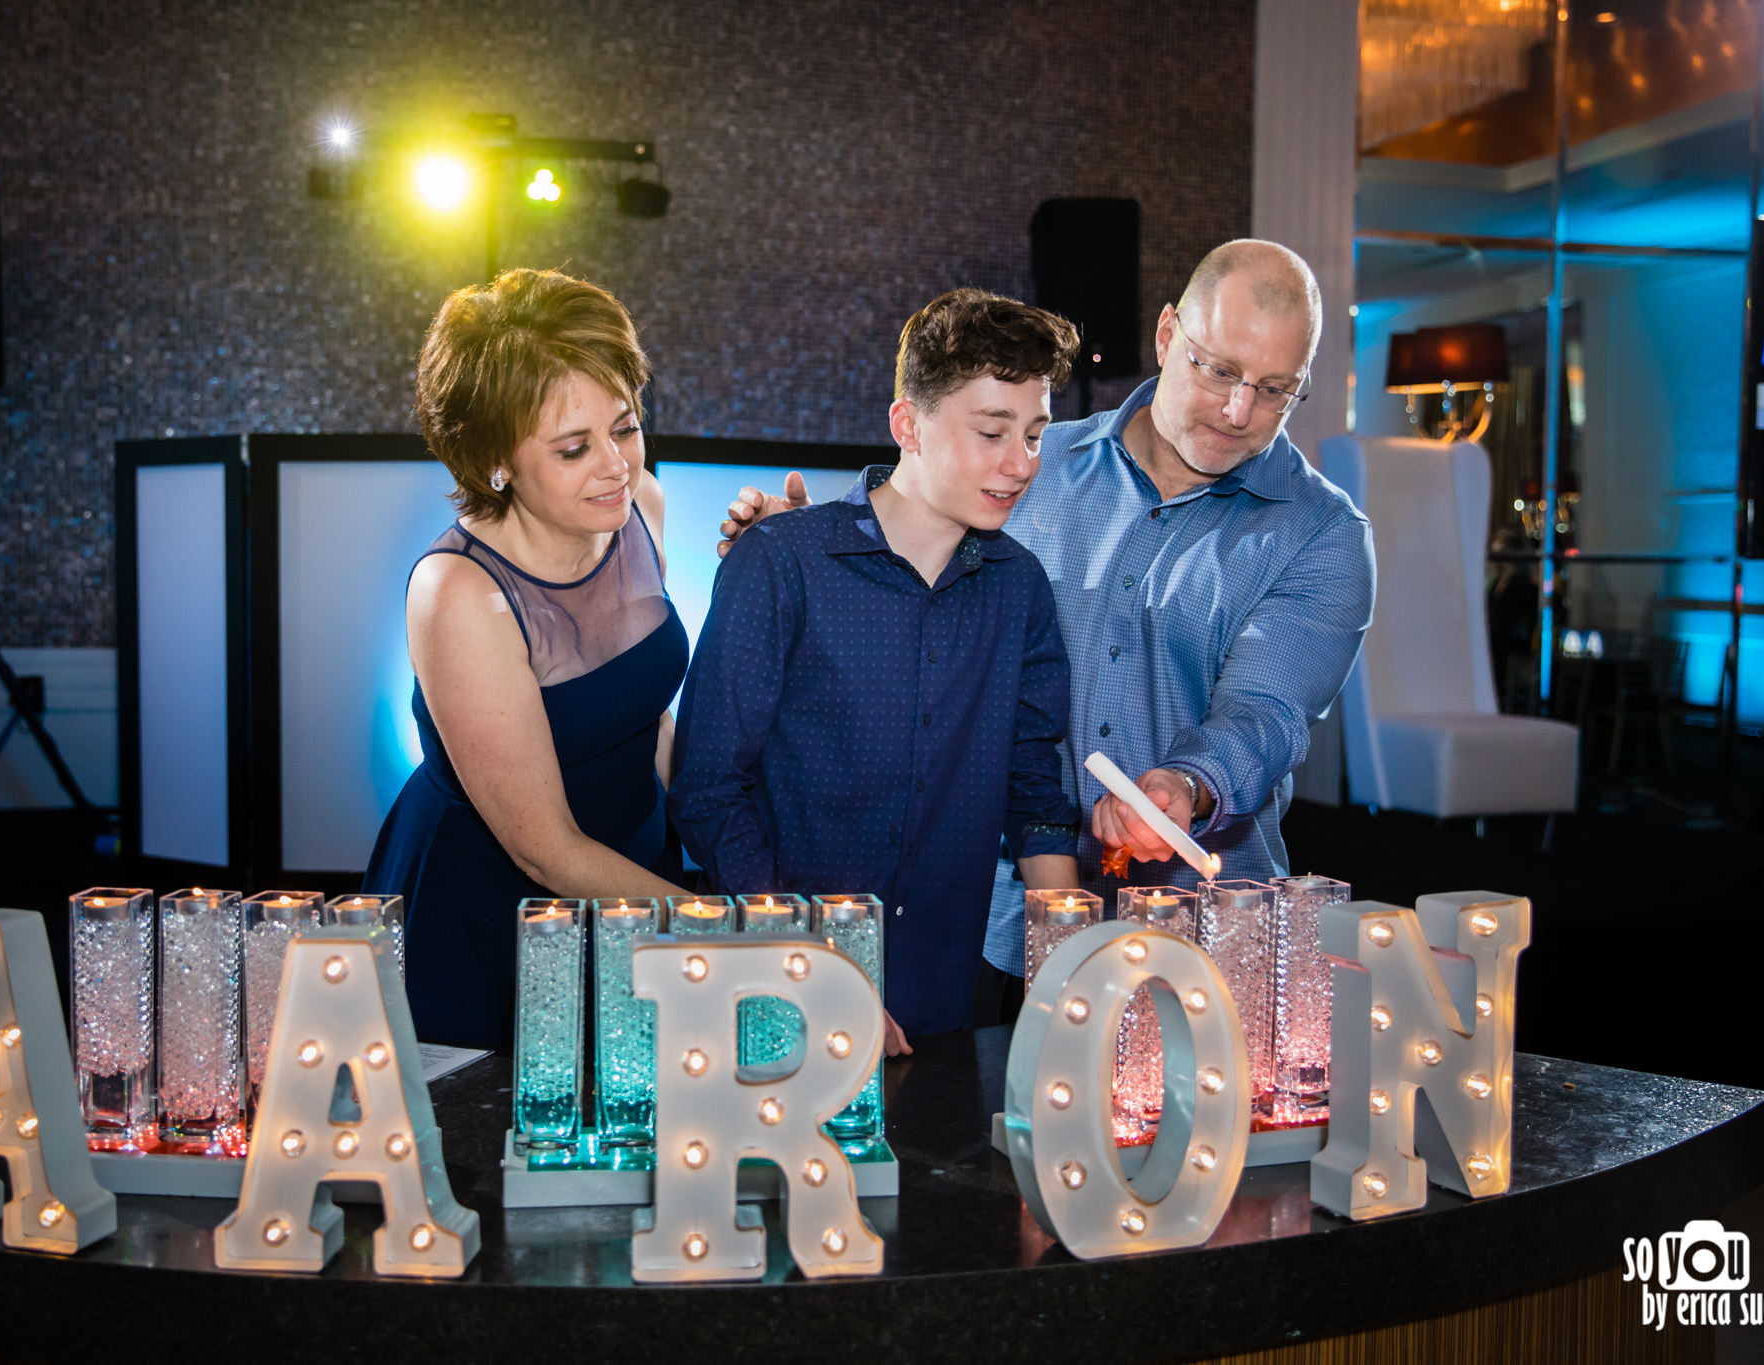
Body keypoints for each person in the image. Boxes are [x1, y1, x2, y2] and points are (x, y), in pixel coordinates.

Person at [719, 241, 1376, 1010]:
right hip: (996, 921)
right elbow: (905, 552)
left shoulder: (1324, 533)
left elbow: (1266, 712)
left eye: (1274, 390)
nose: (1239, 411)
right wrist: (803, 554)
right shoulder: (1029, 465)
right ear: (1167, 336)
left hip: (1204, 936)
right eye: (1219, 370)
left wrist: (1187, 784)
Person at [670, 288, 1083, 1049]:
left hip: (944, 996)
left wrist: (1071, 972)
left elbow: (1035, 789)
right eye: (992, 432)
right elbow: (707, 791)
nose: (1021, 462)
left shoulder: (1019, 586)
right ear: (908, 425)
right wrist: (811, 970)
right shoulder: (781, 563)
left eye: (1034, 434)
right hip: (779, 992)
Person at [364, 269, 690, 1048]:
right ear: (493, 460)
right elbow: (544, 849)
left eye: (626, 425)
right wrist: (726, 927)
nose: (616, 464)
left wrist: (707, 843)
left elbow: (643, 714)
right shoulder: (458, 592)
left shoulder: (639, 505)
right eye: (575, 447)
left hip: (631, 866)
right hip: (490, 911)